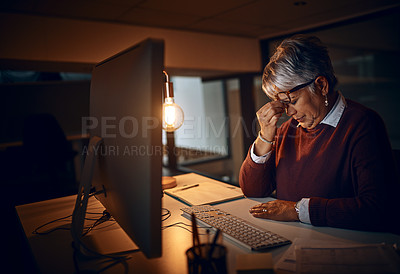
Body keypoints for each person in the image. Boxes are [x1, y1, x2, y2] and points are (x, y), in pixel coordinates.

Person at [239, 34, 399, 233]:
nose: (288, 112)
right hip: (294, 238)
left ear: (321, 86)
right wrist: (265, 136)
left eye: (293, 101)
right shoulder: (289, 128)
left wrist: (296, 210)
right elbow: (253, 190)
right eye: (283, 104)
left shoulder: (362, 124)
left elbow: (376, 208)